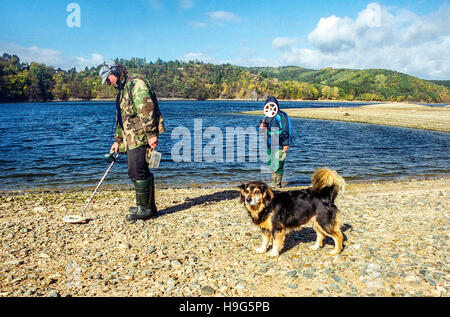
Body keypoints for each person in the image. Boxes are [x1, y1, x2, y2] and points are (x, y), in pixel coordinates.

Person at [99, 61, 165, 221]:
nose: (109, 82)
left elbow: (146, 109)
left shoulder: (136, 83)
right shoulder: (123, 88)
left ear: (115, 71)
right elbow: (123, 118)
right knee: (139, 170)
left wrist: (151, 134)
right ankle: (149, 207)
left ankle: (144, 209)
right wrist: (118, 141)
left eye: (109, 78)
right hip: (131, 135)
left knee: (137, 170)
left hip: (141, 135)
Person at [259, 96, 292, 188]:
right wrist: (261, 126)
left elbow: (286, 129)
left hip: (279, 143)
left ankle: (277, 184)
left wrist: (286, 144)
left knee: (278, 163)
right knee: (271, 162)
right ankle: (274, 182)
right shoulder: (266, 117)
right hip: (269, 143)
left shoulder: (282, 115)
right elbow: (262, 132)